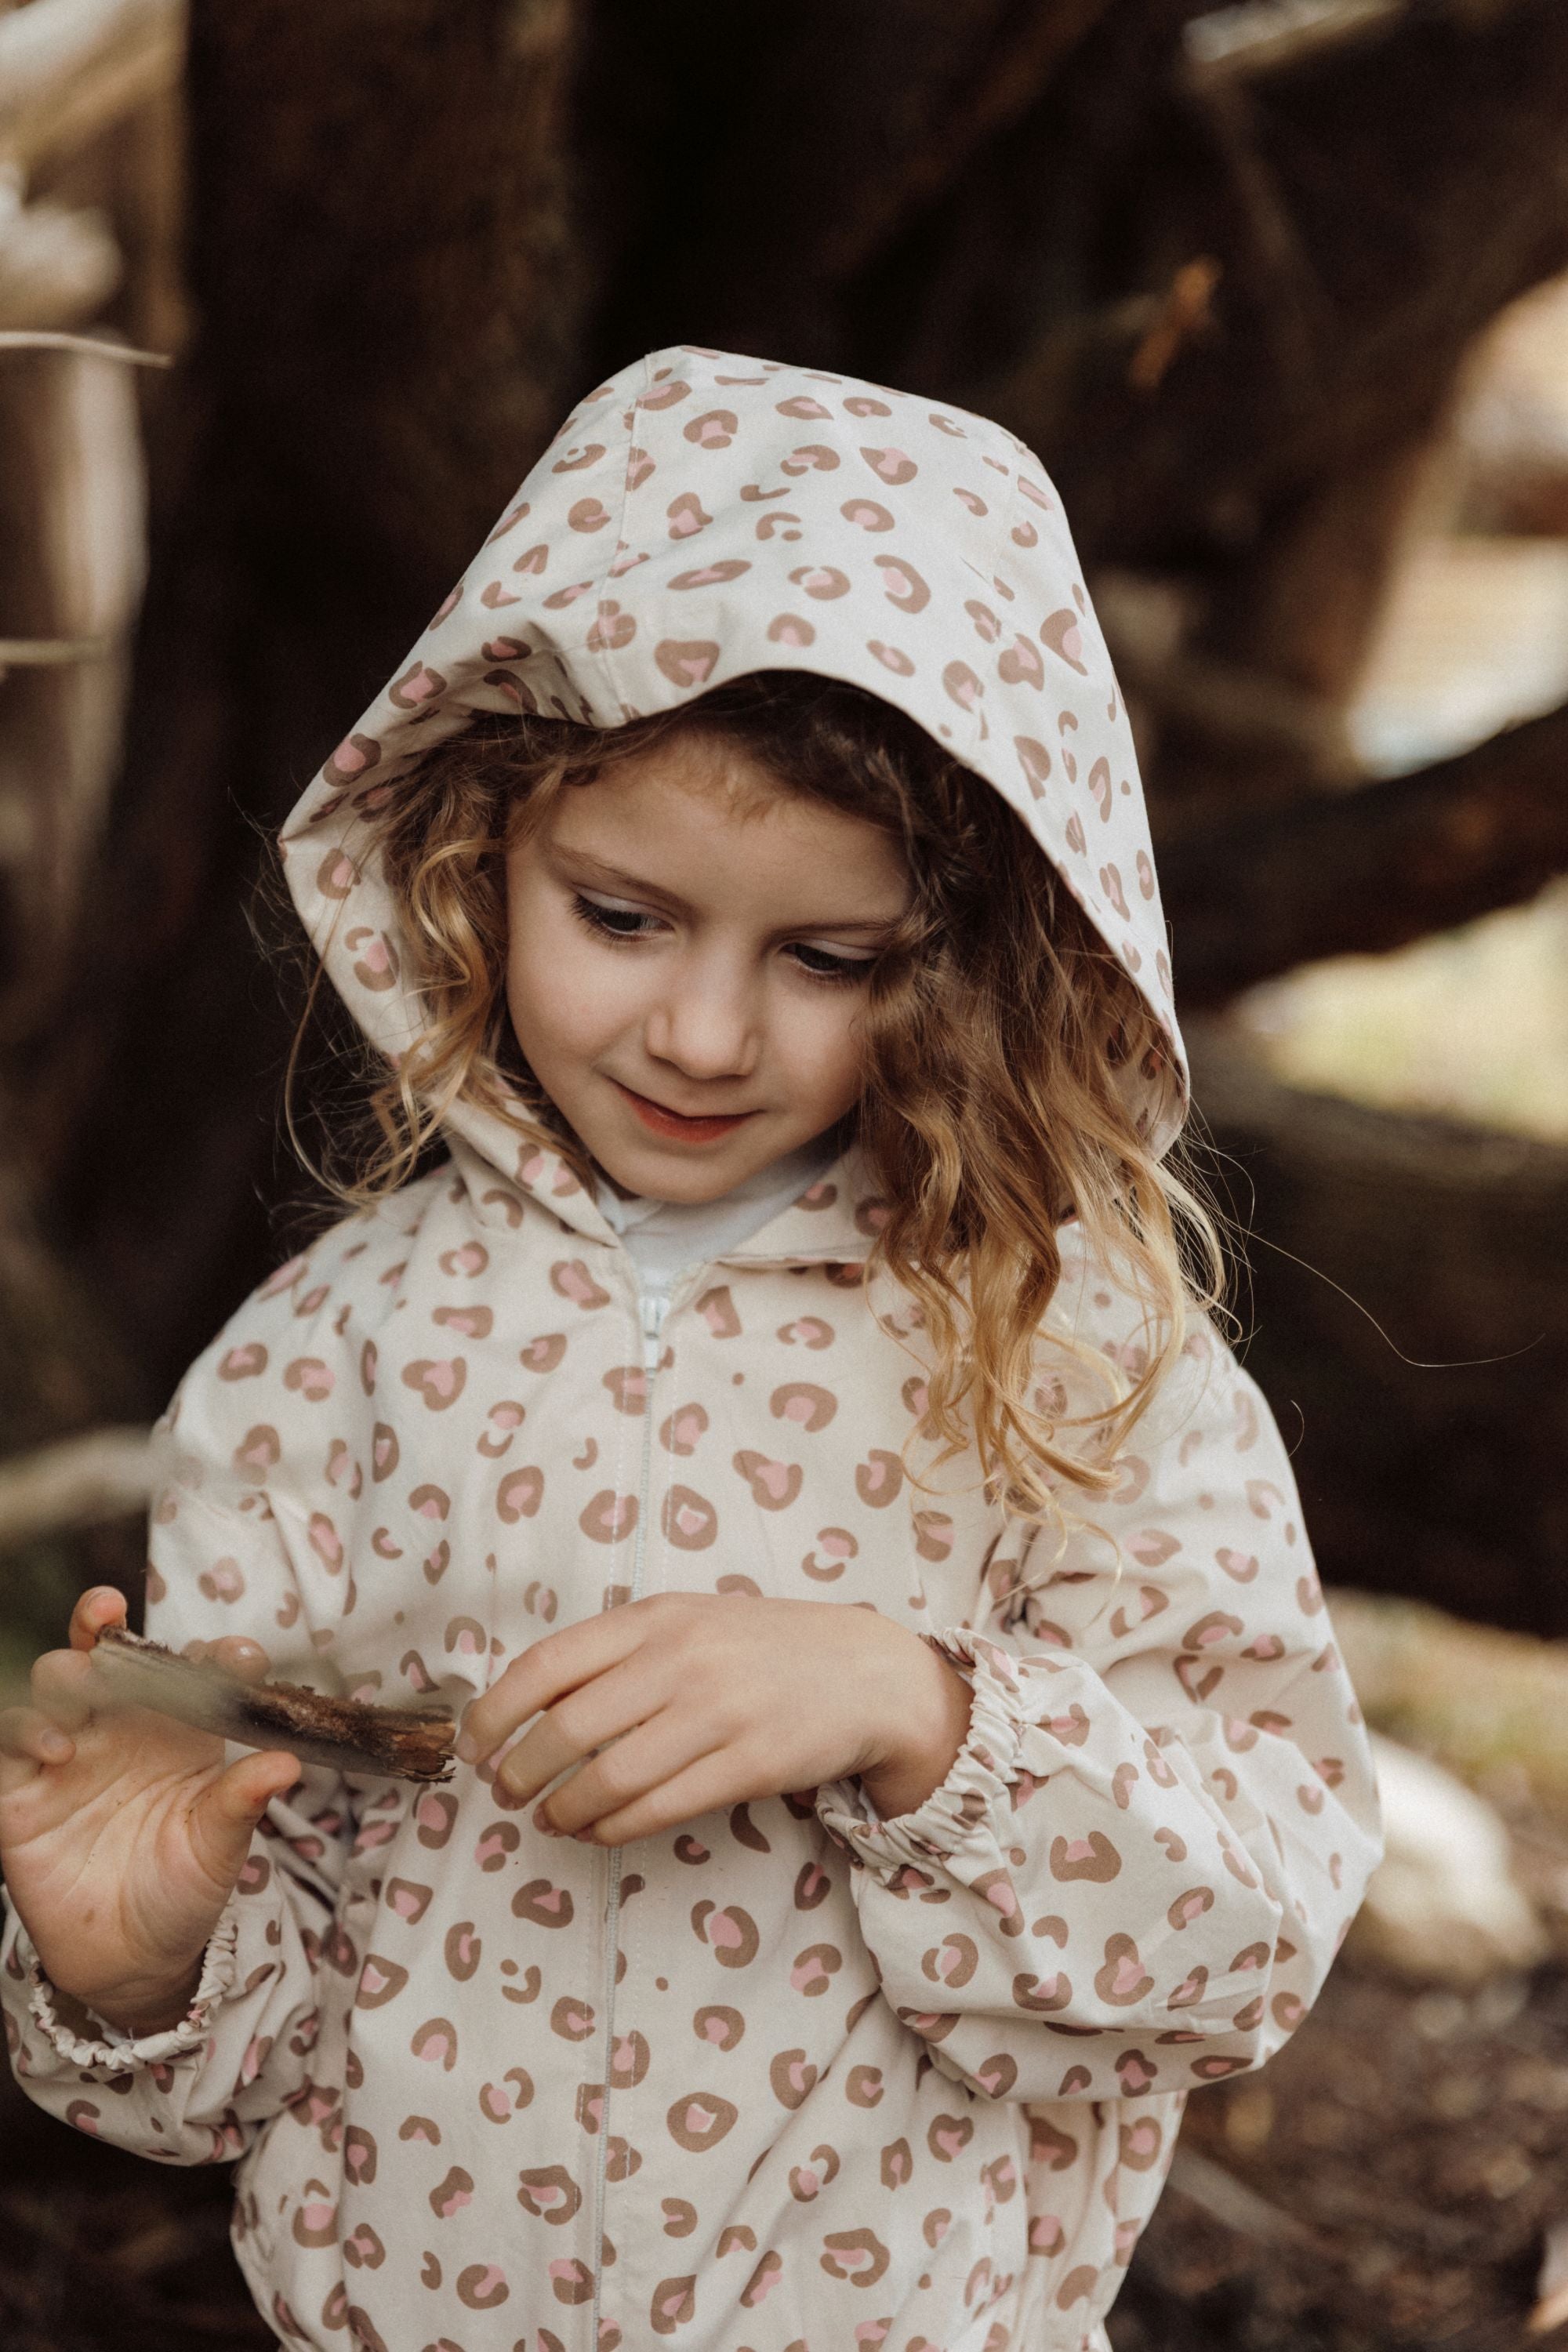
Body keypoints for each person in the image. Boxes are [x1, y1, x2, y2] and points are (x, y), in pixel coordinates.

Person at [0, 346, 1381, 2352]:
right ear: (472, 851)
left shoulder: (1068, 1357)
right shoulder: (332, 1362)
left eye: (828, 957)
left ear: (976, 953)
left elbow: (1244, 1937)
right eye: (623, 916)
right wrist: (142, 1958)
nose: (704, 1036)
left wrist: (916, 1710)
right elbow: (257, 2041)